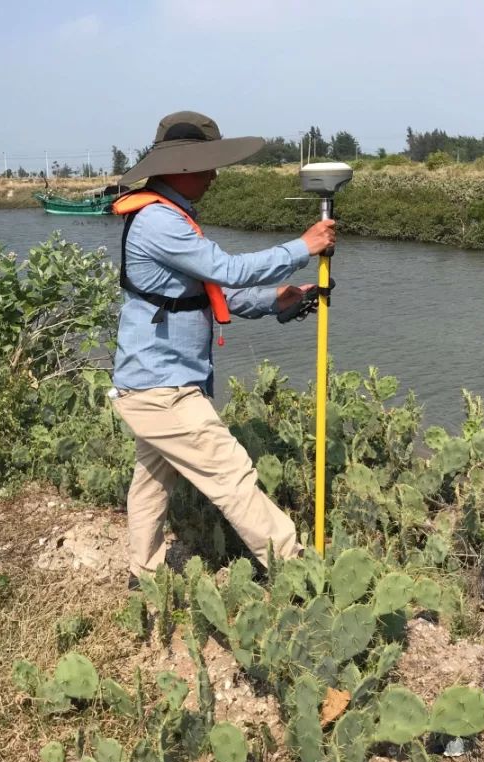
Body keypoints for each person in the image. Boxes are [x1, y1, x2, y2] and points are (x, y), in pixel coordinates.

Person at [109, 111, 336, 587]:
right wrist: (304, 245)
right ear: (182, 169)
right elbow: (227, 270)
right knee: (232, 475)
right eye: (206, 166)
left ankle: (144, 575)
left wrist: (278, 300)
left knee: (151, 482)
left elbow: (213, 293)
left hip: (152, 382)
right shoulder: (157, 221)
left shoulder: (172, 217)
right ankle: (298, 574)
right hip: (162, 387)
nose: (213, 176)